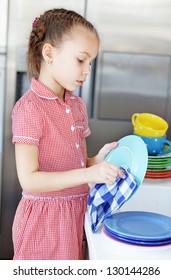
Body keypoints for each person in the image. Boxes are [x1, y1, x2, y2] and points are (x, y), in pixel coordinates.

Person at [12, 8, 125, 260]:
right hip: (45, 223)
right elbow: (29, 180)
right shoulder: (30, 109)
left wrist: (97, 162)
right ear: (49, 53)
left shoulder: (76, 106)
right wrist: (88, 172)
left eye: (91, 62)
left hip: (76, 215)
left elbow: (77, 165)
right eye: (81, 60)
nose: (87, 70)